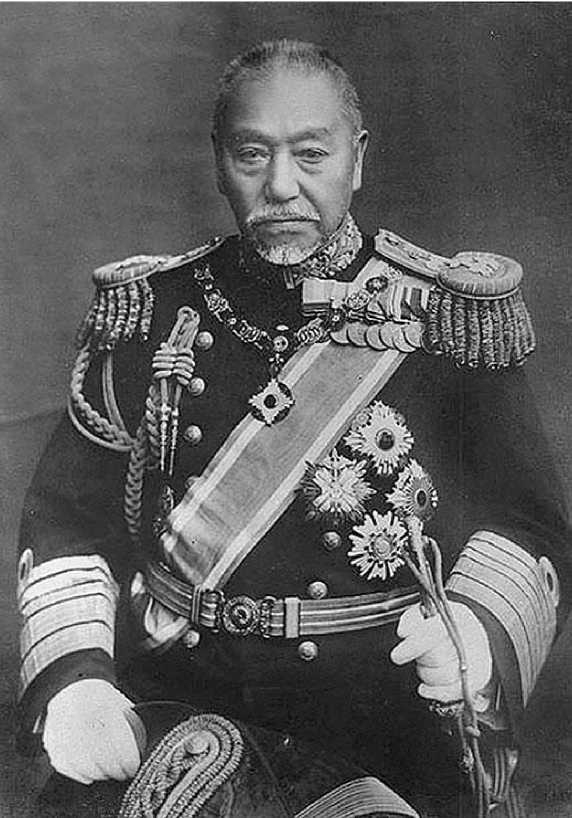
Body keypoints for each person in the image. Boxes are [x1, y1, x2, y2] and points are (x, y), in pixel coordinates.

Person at [17, 39, 571, 817]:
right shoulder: (149, 315)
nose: (281, 186)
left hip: (381, 722)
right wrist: (76, 680)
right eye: (253, 154)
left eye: (311, 154)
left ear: (358, 158)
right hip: (172, 702)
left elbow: (526, 522)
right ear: (219, 162)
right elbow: (68, 521)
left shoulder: (444, 317)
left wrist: (473, 635)